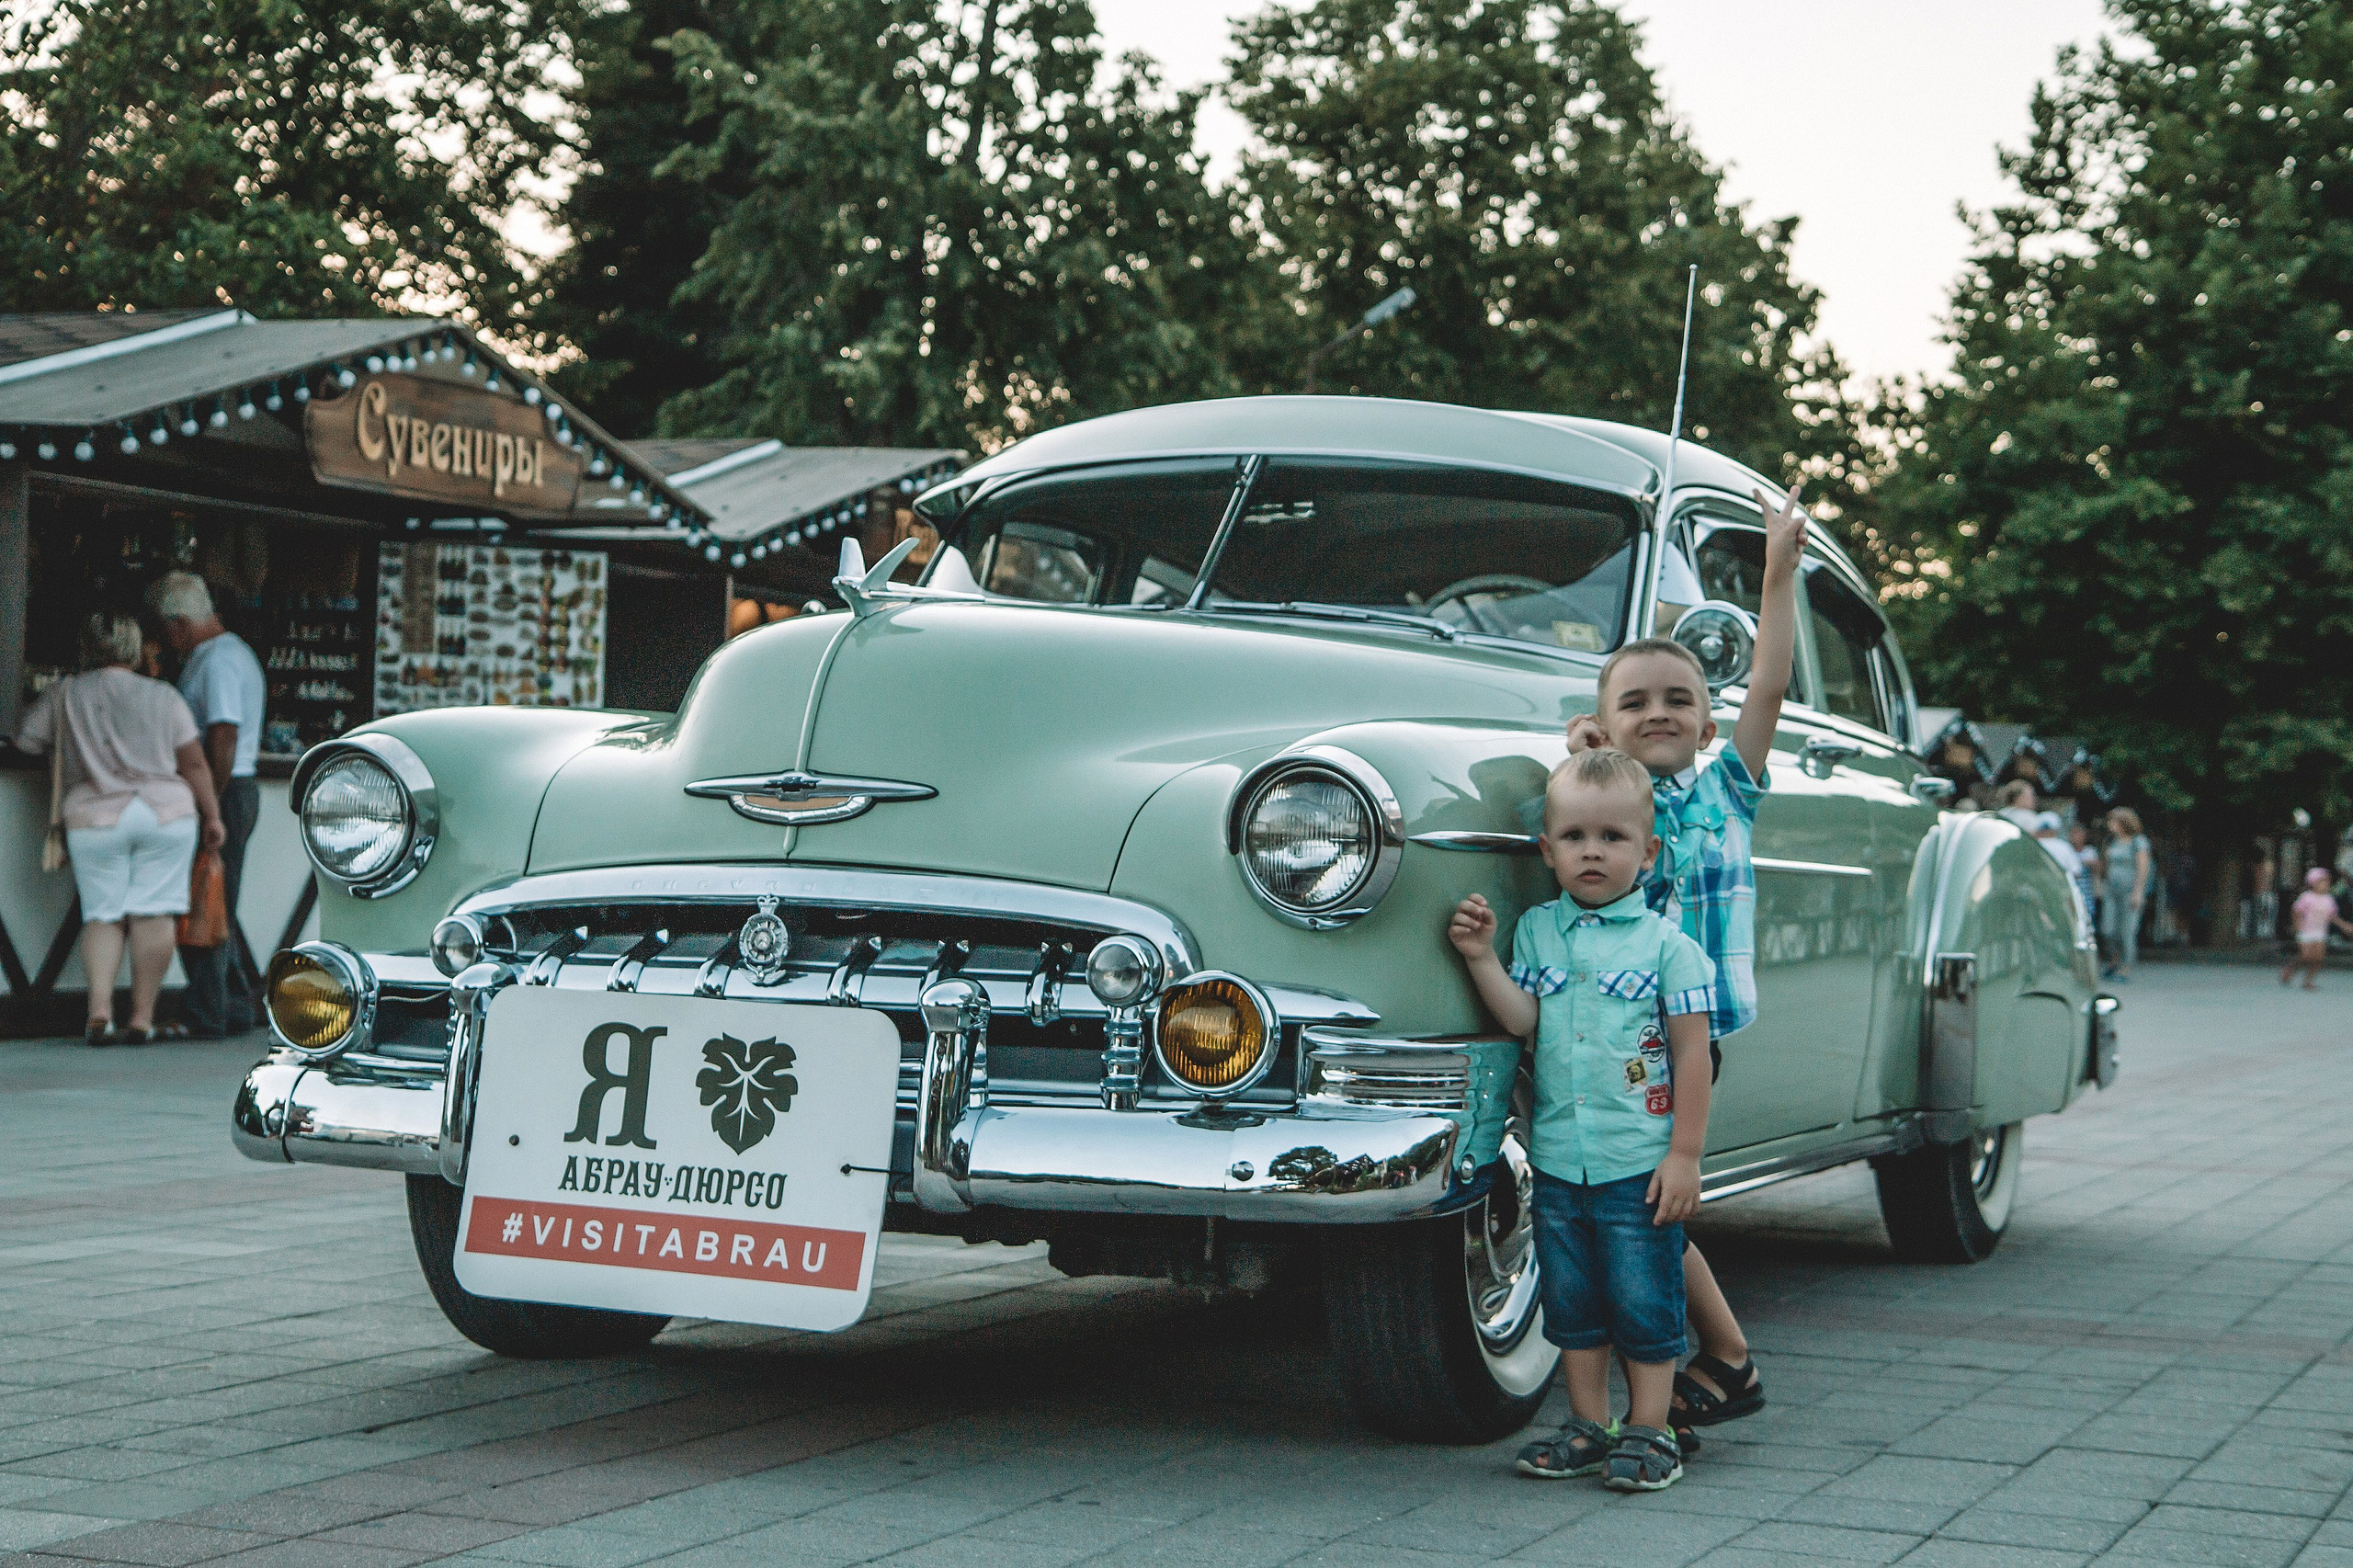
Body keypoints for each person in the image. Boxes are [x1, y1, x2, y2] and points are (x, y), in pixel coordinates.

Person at [1562, 480, 1807, 1453]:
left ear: (1709, 725)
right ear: (1607, 724)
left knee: (1652, 1197)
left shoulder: (1726, 795)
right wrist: (1574, 754)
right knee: (1645, 1202)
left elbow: (1773, 685)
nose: (1658, 710)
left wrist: (1777, 575)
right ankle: (1724, 1357)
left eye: (1679, 698)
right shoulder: (1610, 804)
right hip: (1622, 1036)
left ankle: (1709, 1362)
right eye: (1633, 701)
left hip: (1689, 1033)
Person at [1449, 748, 1715, 1494]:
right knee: (1572, 1302)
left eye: (1613, 837)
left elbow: (1694, 1057)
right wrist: (1479, 958)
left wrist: (1685, 1156)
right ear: (1548, 849)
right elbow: (1524, 1022)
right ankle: (1590, 1426)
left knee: (1643, 1299)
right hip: (1562, 1162)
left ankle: (1652, 1429)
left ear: (1648, 850)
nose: (1592, 851)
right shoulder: (1536, 933)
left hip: (1639, 1163)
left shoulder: (1670, 950)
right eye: (1573, 838)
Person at [15, 612, 225, 1045]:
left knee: (103, 915)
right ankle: (143, 1019)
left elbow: (25, 741)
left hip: (95, 816)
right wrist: (214, 815)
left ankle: (99, 1013)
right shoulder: (163, 696)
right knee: (154, 912)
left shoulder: (66, 694)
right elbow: (195, 763)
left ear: (87, 648)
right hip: (165, 814)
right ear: (135, 648)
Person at [148, 571, 266, 1037]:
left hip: (225, 789)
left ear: (178, 623)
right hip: (232, 789)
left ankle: (210, 1012)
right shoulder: (225, 654)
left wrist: (209, 804)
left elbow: (223, 733)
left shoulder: (217, 661)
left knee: (207, 900)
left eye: (165, 629)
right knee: (218, 901)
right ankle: (234, 1004)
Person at [2099, 809, 2153, 982]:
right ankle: (2113, 960)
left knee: (2127, 931)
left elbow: (2143, 867)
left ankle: (2125, 967)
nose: (2111, 826)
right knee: (2108, 929)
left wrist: (2138, 892)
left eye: (2115, 822)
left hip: (2130, 891)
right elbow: (2106, 865)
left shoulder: (2138, 842)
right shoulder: (2112, 842)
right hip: (2111, 890)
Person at [2281, 868, 2352, 991]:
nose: (2325, 884)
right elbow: (2296, 911)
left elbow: (2332, 916)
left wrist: (2344, 925)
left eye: (2327, 882)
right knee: (2306, 956)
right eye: (2321, 881)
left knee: (2318, 959)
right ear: (2312, 883)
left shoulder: (2329, 899)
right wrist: (2297, 926)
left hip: (2320, 932)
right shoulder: (2306, 897)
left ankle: (2308, 980)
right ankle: (2291, 968)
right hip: (2305, 931)